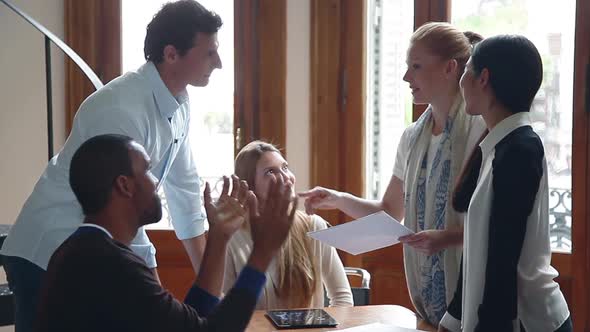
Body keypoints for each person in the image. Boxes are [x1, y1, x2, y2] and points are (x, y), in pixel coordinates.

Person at [1, 1, 223, 330]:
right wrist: (155, 290)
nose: (218, 63)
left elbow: (186, 192)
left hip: (90, 253)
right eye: (209, 53)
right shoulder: (121, 107)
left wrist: (211, 282)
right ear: (172, 54)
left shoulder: (180, 102)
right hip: (48, 249)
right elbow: (119, 207)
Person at [299, 22, 485, 326]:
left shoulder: (479, 130)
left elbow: (494, 223)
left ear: (450, 68)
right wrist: (338, 199)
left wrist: (448, 239)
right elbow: (389, 211)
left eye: (416, 66)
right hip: (427, 302)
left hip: (474, 296)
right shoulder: (412, 139)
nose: (406, 77)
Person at [35, 134, 297, 332]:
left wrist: (218, 238)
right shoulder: (110, 265)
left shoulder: (89, 250)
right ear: (124, 186)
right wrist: (263, 253)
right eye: (147, 170)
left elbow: (190, 321)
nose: (155, 181)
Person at [438, 35, 571, 332]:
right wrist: (453, 320)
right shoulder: (501, 145)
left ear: (484, 78)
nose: (461, 81)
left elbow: (502, 263)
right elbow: (478, 252)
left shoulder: (519, 150)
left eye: (466, 70)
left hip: (529, 322)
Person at [223, 141, 354, 309]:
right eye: (270, 171)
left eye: (285, 168)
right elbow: (224, 311)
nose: (286, 178)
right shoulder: (232, 237)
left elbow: (342, 297)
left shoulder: (314, 226)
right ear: (250, 185)